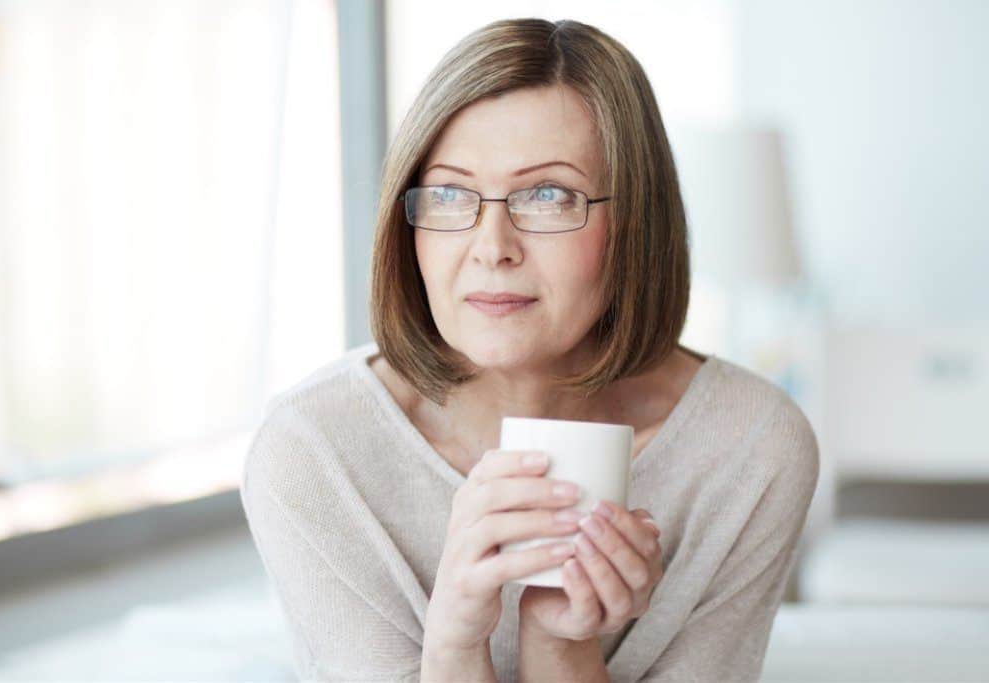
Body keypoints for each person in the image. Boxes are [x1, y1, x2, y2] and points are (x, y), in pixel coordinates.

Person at [240, 17, 819, 683]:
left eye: (548, 194)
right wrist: (455, 642)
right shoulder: (312, 454)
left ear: (635, 220)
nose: (492, 246)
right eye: (451, 193)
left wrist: (560, 642)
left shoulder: (750, 449)